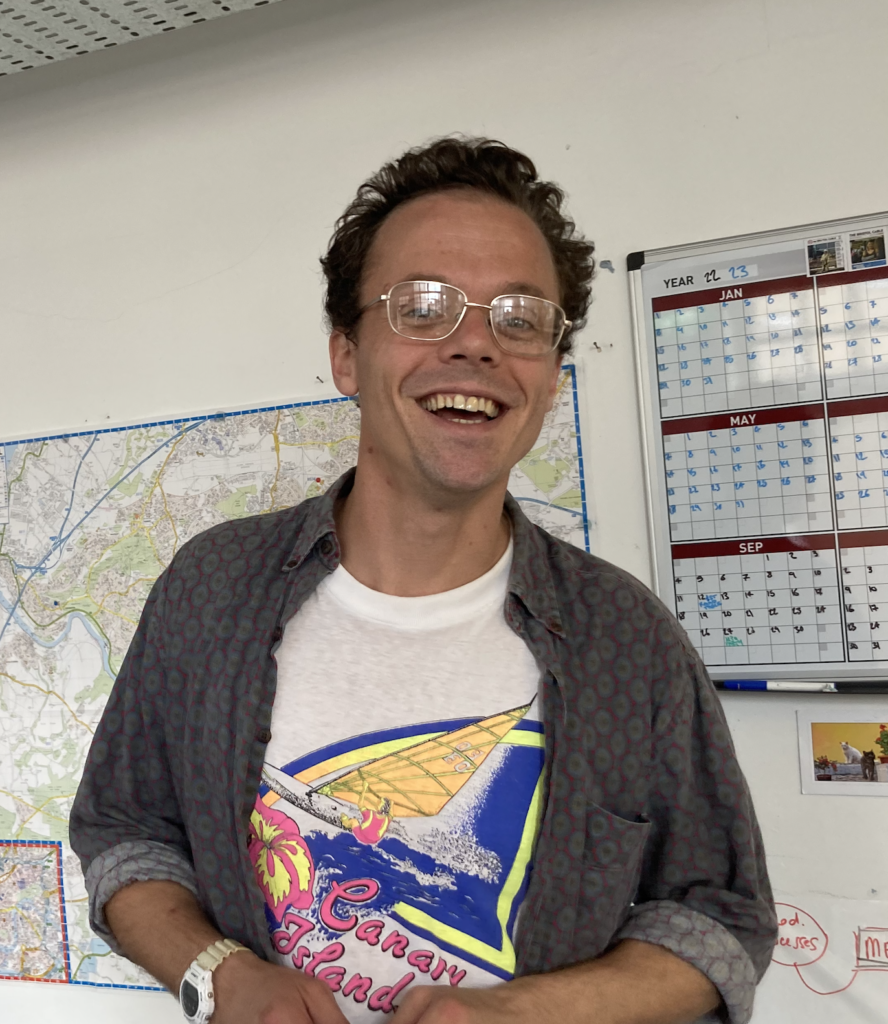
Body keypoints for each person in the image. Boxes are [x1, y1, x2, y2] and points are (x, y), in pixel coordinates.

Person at [70, 137, 776, 1024]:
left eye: (519, 318)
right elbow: (126, 831)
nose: (476, 343)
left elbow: (720, 916)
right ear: (345, 355)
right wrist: (216, 971)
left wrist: (522, 1014)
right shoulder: (209, 589)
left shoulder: (627, 638)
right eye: (423, 307)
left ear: (552, 377)